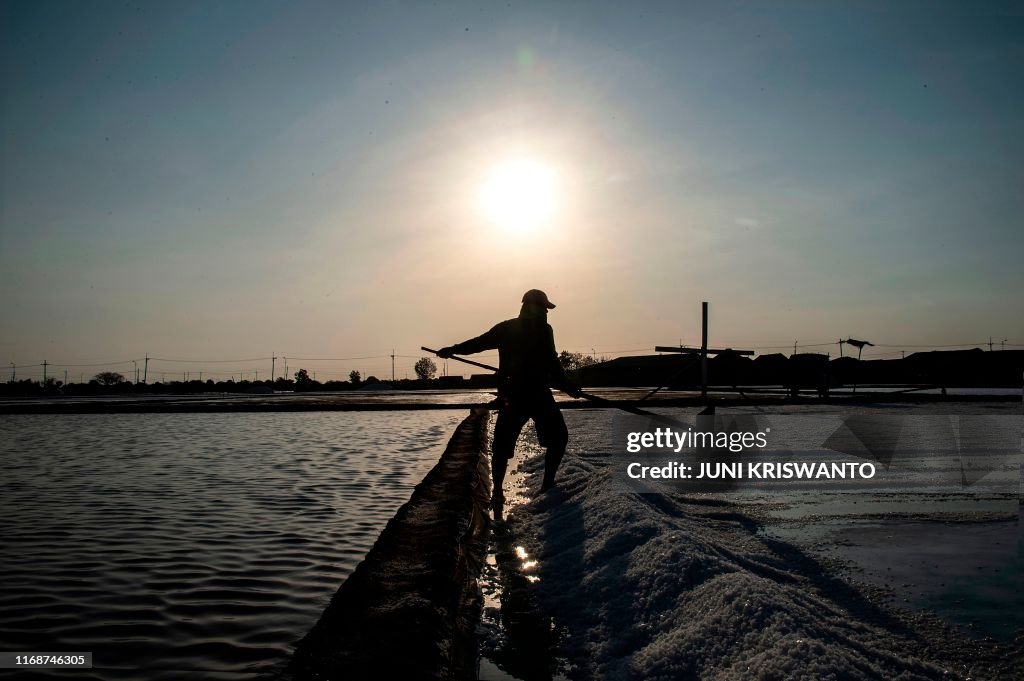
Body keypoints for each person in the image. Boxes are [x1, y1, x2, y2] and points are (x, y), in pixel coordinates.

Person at [437, 289, 582, 515]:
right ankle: (515, 489)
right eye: (543, 307)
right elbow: (479, 343)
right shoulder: (531, 330)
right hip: (524, 395)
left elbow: (551, 363)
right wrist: (452, 350)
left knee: (541, 440)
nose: (546, 312)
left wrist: (567, 385)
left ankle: (522, 489)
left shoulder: (518, 329)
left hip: (524, 394)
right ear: (531, 306)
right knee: (518, 444)